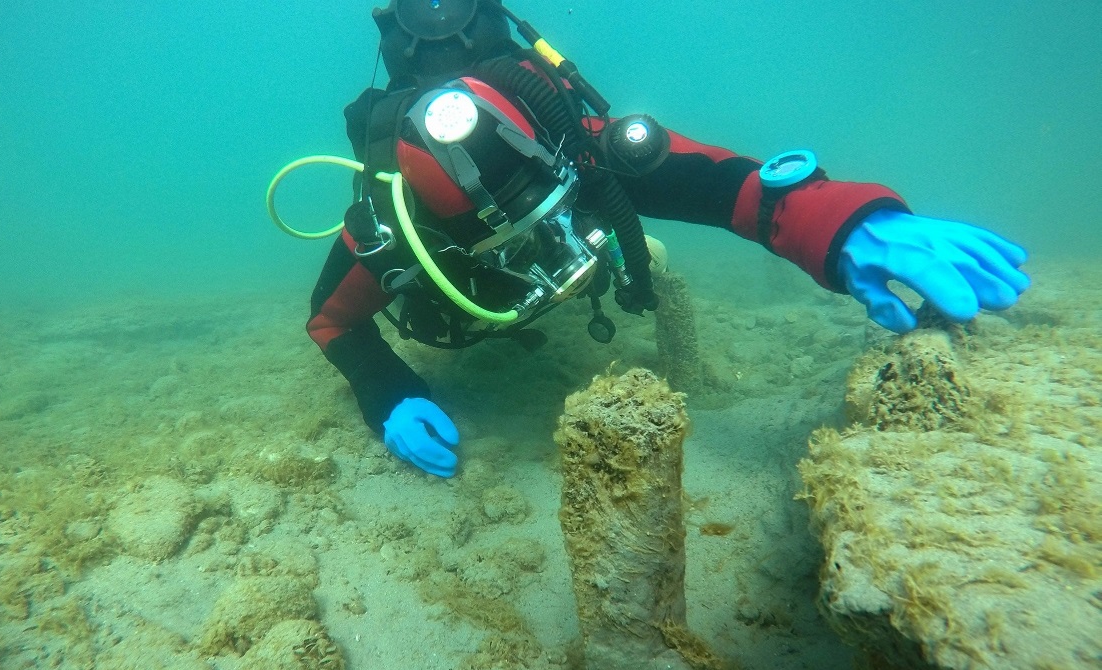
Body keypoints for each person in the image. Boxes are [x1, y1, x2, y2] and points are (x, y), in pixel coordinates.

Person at [299, 0, 1029, 479]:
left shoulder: (574, 141)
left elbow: (730, 187)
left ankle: (621, 254)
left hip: (589, 257)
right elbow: (331, 319)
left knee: (647, 252)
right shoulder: (385, 227)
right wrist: (386, 389)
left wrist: (842, 224)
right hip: (466, 317)